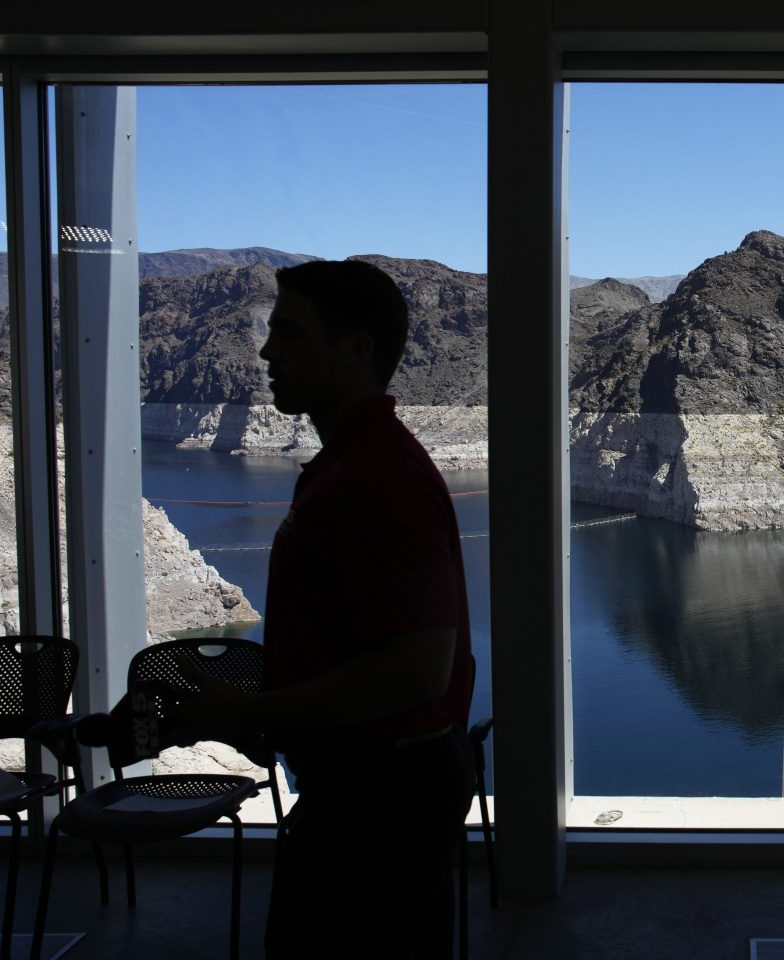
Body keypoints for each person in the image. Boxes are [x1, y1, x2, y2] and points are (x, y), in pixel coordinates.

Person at [180, 259, 476, 959]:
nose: (266, 352)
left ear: (355, 352)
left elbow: (417, 672)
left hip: (381, 804)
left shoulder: (379, 477)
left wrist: (251, 713)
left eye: (289, 333)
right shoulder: (354, 463)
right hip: (372, 791)